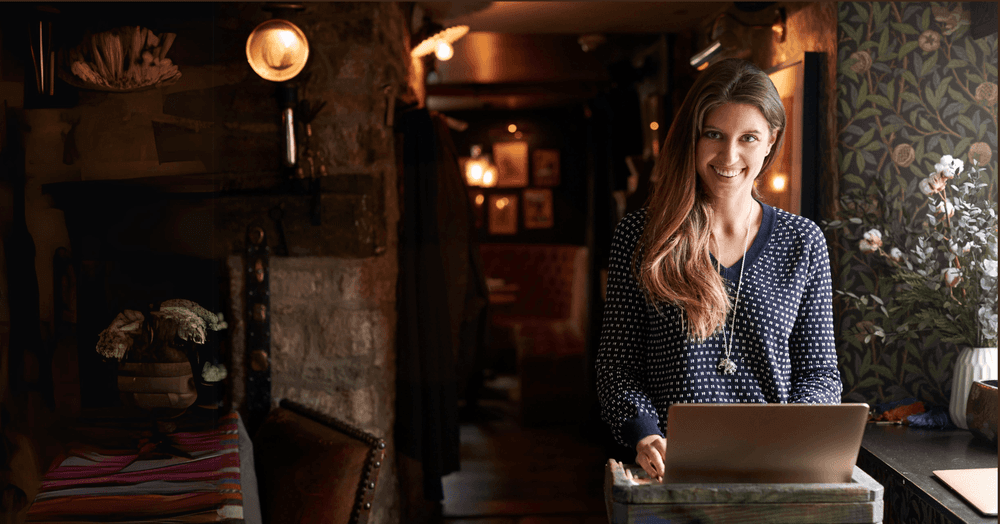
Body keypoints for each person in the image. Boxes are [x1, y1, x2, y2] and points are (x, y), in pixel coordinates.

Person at [595, 58, 842, 482]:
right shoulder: (641, 236)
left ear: (770, 142)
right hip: (670, 473)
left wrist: (797, 433)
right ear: (692, 139)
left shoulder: (803, 241)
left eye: (748, 137)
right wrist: (644, 434)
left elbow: (820, 372)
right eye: (714, 135)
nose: (729, 155)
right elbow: (616, 367)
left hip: (775, 473)